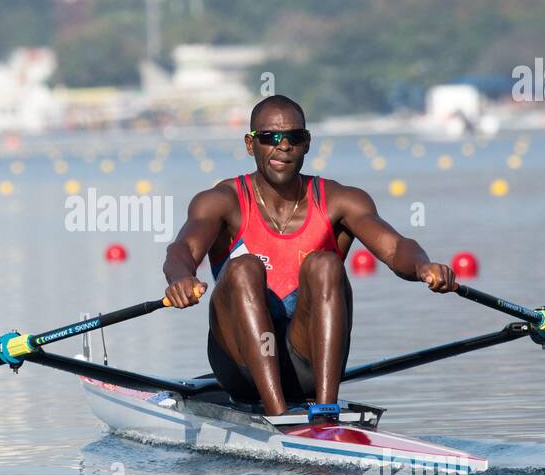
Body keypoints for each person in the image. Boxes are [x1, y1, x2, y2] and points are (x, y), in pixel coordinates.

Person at [162, 94, 457, 416]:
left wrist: (423, 266)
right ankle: (279, 415)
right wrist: (181, 279)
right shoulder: (220, 200)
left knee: (325, 262)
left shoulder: (341, 200)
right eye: (270, 138)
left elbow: (396, 247)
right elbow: (183, 249)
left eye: (294, 138)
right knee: (243, 268)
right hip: (240, 366)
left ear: (307, 144)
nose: (283, 146)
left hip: (307, 365)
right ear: (250, 145)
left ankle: (326, 408)